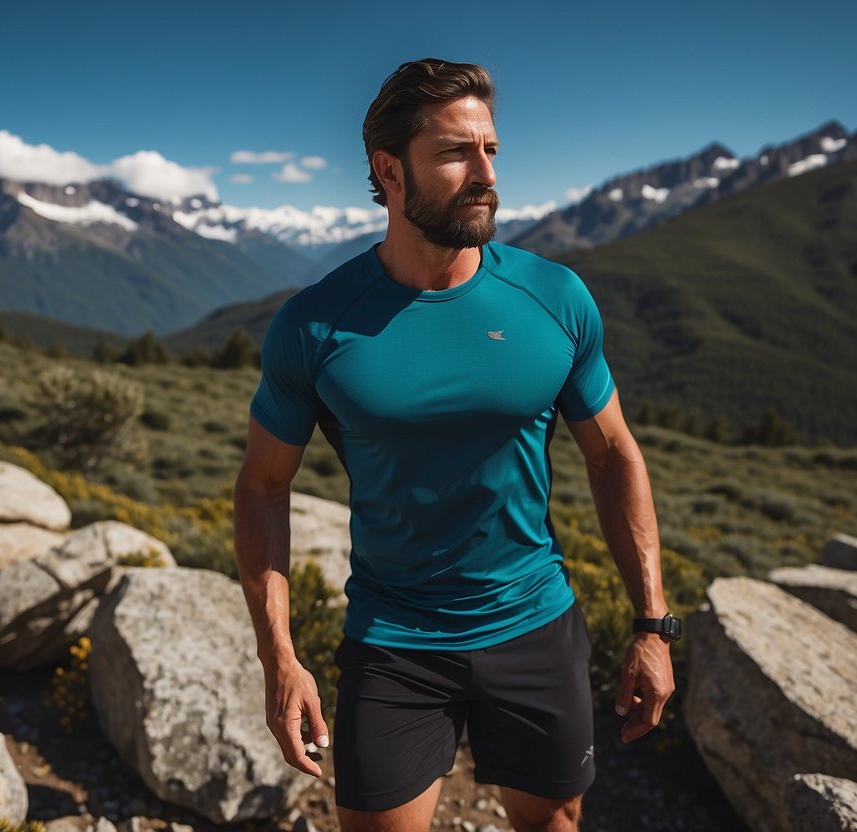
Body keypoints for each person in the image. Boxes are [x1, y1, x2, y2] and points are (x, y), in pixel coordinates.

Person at [234, 58, 677, 832]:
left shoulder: (554, 297)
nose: (484, 174)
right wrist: (280, 659)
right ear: (388, 170)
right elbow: (263, 487)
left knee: (552, 825)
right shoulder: (313, 324)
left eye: (490, 151)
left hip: (535, 623)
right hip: (392, 643)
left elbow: (612, 456)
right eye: (453, 152)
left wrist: (651, 625)